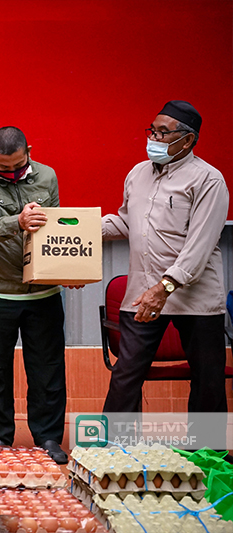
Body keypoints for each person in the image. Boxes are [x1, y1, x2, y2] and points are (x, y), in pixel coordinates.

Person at [102, 100, 229, 414]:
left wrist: (164, 288)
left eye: (162, 133)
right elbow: (127, 222)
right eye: (152, 131)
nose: (153, 139)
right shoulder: (137, 174)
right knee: (125, 376)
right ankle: (113, 443)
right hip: (143, 294)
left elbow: (199, 247)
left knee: (208, 380)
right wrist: (75, 228)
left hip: (193, 298)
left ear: (187, 140)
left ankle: (206, 445)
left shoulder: (208, 180)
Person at [0, 126, 69, 464]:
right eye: (4, 168)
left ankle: (48, 438)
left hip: (43, 291)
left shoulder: (47, 177)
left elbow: (55, 229)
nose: (12, 172)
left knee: (48, 370)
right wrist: (16, 222)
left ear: (29, 152)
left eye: (19, 166)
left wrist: (68, 270)